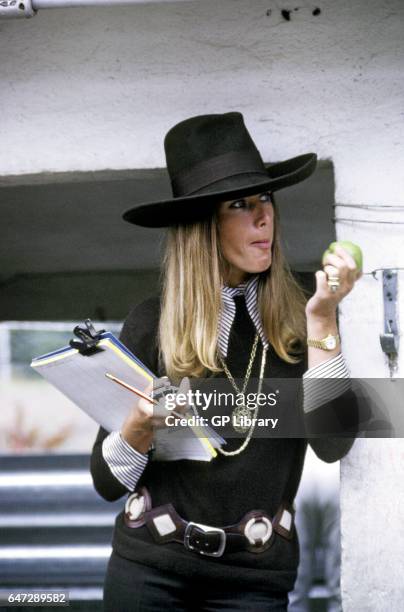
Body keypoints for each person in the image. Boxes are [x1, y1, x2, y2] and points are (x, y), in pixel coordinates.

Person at [90, 112, 361, 612]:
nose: (264, 217)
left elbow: (333, 442)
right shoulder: (152, 322)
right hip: (148, 572)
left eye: (266, 200)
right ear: (203, 227)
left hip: (253, 583)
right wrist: (137, 428)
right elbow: (106, 482)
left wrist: (323, 323)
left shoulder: (304, 310)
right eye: (241, 204)